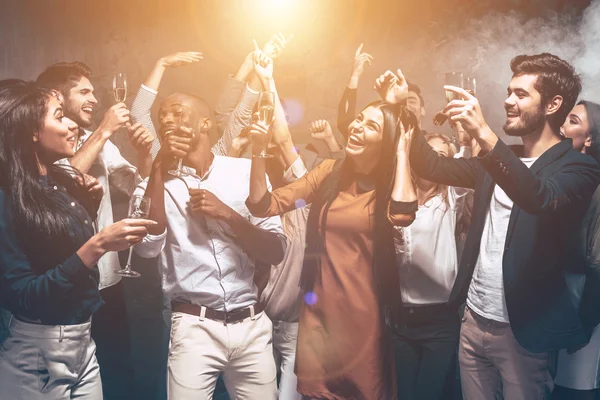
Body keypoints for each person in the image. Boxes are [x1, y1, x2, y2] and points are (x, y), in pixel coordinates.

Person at [408, 53, 600, 400]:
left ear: (553, 104)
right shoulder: (495, 161)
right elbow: (429, 164)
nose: (508, 101)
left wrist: (482, 132)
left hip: (522, 333)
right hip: (473, 319)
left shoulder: (577, 167)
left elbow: (539, 198)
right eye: (509, 92)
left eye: (521, 94)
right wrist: (405, 111)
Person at [246, 65, 418, 399]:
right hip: (318, 317)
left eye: (370, 126)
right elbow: (263, 205)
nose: (356, 127)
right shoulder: (330, 171)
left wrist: (401, 150)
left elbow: (402, 213)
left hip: (363, 319)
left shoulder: (389, 187)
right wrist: (257, 149)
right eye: (359, 119)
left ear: (385, 140)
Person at [133, 50, 286, 399]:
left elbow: (276, 250)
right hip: (193, 327)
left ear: (205, 124)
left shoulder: (245, 173)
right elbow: (146, 248)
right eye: (162, 116)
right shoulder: (155, 184)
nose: (167, 120)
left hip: (252, 326)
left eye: (178, 113)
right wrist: (157, 168)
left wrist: (228, 215)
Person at [0, 80, 155, 399]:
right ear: (31, 131)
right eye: (60, 116)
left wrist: (89, 205)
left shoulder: (56, 184)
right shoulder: (6, 200)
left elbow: (59, 253)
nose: (72, 123)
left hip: (83, 342)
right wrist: (98, 244)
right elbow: (27, 296)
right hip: (37, 353)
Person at [392, 131, 473, 400]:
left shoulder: (450, 198)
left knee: (430, 394)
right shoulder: (397, 196)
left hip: (439, 322)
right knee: (404, 395)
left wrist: (465, 141)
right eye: (429, 154)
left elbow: (465, 168)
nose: (434, 162)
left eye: (442, 157)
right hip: (401, 320)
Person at [553, 101, 600, 400]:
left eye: (572, 121)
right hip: (550, 309)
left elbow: (597, 265)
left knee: (574, 392)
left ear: (590, 138)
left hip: (582, 308)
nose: (561, 127)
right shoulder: (554, 180)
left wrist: (582, 325)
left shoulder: (595, 189)